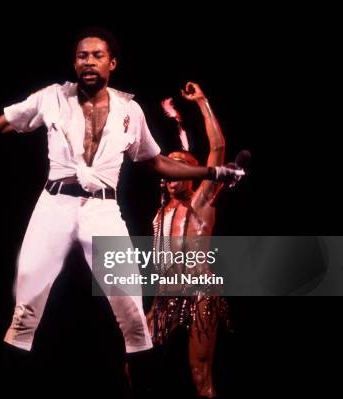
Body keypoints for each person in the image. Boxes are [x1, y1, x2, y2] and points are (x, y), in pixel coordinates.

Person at [0, 28, 241, 394]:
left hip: (102, 210)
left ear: (112, 63)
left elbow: (156, 162)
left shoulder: (129, 111)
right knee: (25, 315)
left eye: (96, 55)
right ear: (75, 62)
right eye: (82, 56)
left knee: (135, 321)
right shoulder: (52, 98)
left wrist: (211, 172)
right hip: (54, 206)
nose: (88, 62)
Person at [148, 82, 231, 398]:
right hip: (164, 296)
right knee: (135, 361)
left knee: (199, 374)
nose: (170, 174)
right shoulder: (160, 212)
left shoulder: (201, 201)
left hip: (199, 293)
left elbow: (218, 150)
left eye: (179, 168)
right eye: (167, 169)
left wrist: (202, 102)